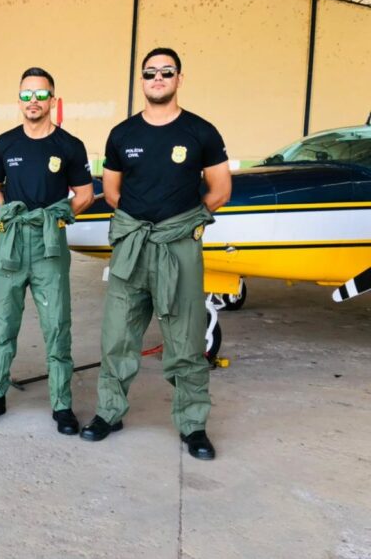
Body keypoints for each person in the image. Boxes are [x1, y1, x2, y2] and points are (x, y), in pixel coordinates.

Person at [80, 48, 232, 460]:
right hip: (132, 248)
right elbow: (112, 191)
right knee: (117, 336)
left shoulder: (200, 132)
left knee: (184, 339)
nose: (158, 78)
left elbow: (220, 190)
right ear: (142, 80)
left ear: (179, 78)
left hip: (178, 247)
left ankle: (193, 424)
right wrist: (140, 227)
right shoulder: (123, 134)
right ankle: (109, 413)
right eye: (150, 72)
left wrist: (181, 224)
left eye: (167, 71)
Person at [0, 67, 94, 435]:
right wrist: (3, 206)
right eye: (27, 95)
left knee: (57, 324)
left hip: (49, 244)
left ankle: (62, 404)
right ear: (19, 99)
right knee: (2, 322)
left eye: (41, 94)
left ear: (52, 99)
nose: (33, 101)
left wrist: (59, 214)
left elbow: (84, 194)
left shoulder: (69, 145)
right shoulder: (5, 143)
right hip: (11, 241)